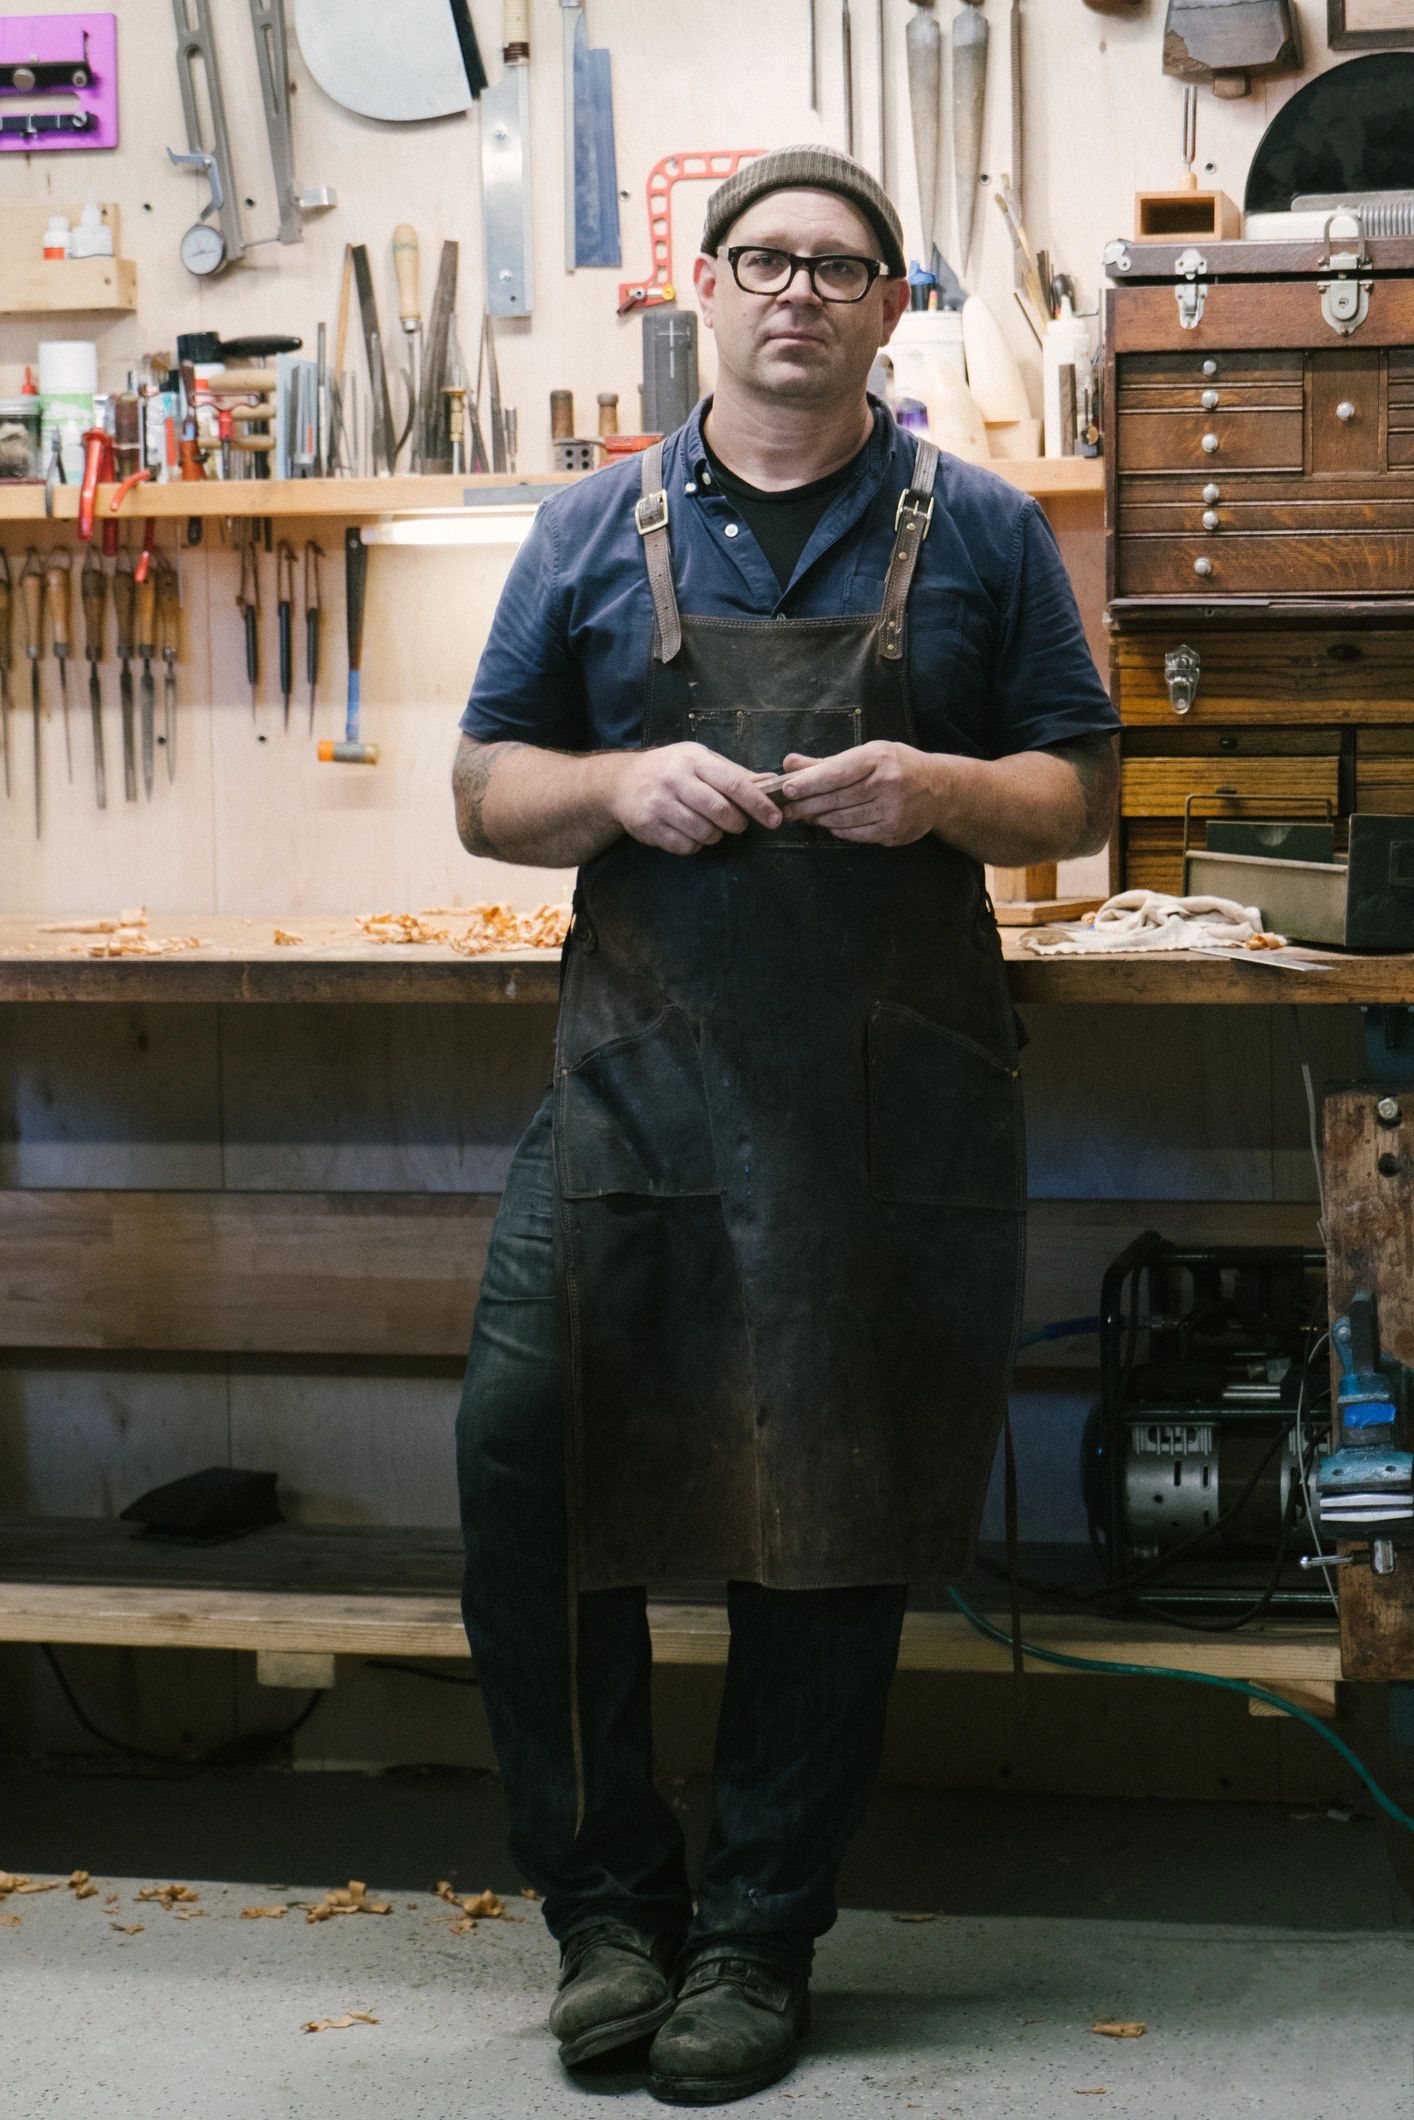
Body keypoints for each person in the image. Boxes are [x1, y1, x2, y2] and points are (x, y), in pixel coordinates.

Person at [452, 144, 1119, 2107]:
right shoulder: (587, 527)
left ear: (885, 307)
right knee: (525, 1455)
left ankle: (752, 1936)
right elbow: (487, 788)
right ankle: (605, 1909)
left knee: (820, 1509)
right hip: (632, 1087)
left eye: (837, 266)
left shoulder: (980, 530)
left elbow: (1072, 794)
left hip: (872, 1098)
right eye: (763, 260)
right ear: (706, 291)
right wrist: (617, 787)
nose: (797, 294)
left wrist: (938, 791)